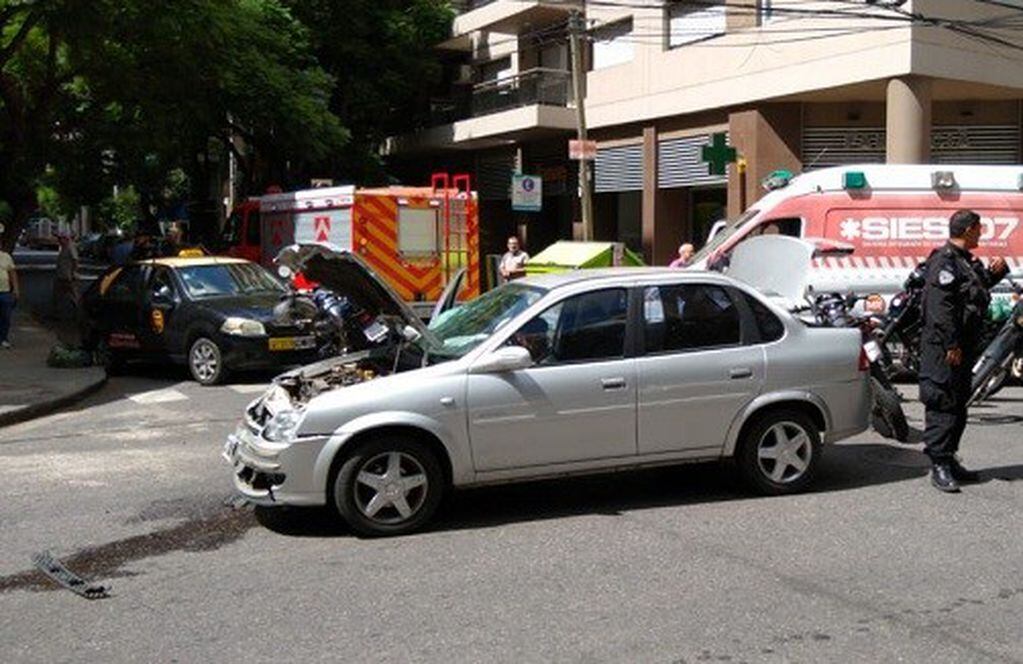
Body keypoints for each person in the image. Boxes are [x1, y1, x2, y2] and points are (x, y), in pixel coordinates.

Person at [919, 209, 1008, 493]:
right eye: (979, 228)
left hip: (963, 345)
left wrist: (997, 272)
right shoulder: (944, 263)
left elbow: (976, 293)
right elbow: (940, 310)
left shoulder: (965, 262)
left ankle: (950, 458)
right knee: (942, 402)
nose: (982, 233)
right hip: (945, 348)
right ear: (969, 229)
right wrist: (951, 345)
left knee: (958, 404)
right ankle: (939, 465)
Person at [0, 223, 20, 349]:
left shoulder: (6, 257)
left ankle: (3, 338)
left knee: (5, 317)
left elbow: (12, 274)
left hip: (5, 292)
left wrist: (16, 290)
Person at [53, 230, 80, 322]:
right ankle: (57, 314)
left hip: (68, 277)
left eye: (60, 239)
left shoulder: (70, 247)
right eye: (58, 239)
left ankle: (79, 314)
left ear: (66, 239)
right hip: (61, 276)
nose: (59, 240)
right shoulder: (64, 248)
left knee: (73, 296)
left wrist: (73, 273)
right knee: (57, 296)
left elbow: (75, 261)